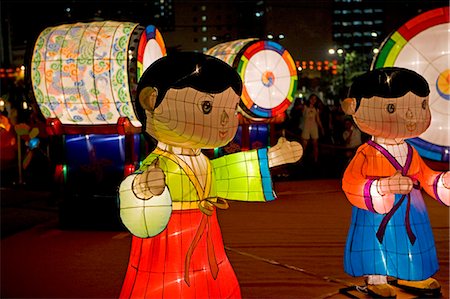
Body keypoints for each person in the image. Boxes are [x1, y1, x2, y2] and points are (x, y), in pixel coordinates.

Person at [117, 52, 303, 298]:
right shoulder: (158, 164)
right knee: (172, 289)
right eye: (207, 106)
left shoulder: (203, 161)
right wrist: (144, 191)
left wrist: (272, 158)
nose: (224, 121)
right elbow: (136, 200)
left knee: (213, 285)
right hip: (168, 245)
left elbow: (228, 172)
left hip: (207, 239)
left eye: (231, 108)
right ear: (152, 101)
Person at [341, 67, 449, 298]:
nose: (410, 118)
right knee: (375, 243)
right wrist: (381, 187)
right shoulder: (366, 153)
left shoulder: (410, 150)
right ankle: (376, 278)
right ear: (353, 108)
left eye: (421, 106)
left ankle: (412, 275)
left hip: (412, 209)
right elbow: (351, 182)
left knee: (413, 242)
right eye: (392, 108)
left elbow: (425, 176)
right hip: (378, 211)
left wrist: (442, 182)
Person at [301, 94, 324, 163]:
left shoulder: (316, 109)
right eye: (312, 99)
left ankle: (315, 159)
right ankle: (301, 160)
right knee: (304, 145)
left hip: (314, 127)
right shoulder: (305, 107)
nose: (313, 100)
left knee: (315, 144)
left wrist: (321, 128)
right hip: (306, 127)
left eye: (315, 99)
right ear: (309, 99)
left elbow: (318, 119)